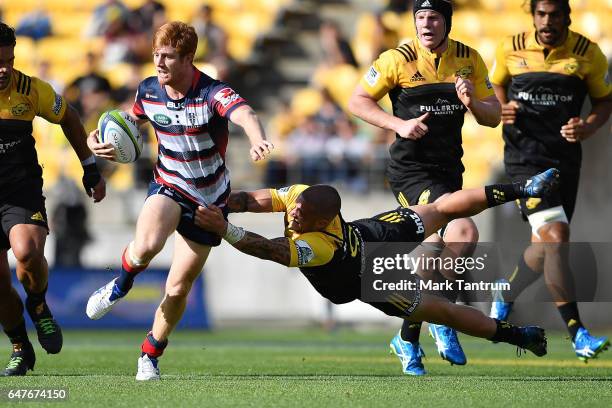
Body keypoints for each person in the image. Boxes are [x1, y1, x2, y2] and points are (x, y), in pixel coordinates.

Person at [193, 170, 562, 366]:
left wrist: (223, 227)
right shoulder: (301, 199)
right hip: (366, 232)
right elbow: (257, 198)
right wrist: (225, 203)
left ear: (322, 221)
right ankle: (525, 187)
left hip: (365, 277)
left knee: (442, 308)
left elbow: (267, 249)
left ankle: (518, 336)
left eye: (301, 215)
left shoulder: (321, 244)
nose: (293, 215)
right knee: (441, 210)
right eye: (295, 208)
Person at [85, 21, 273, 381]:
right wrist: (99, 139)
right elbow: (127, 121)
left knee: (178, 287)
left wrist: (257, 139)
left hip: (210, 201)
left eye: (168, 56)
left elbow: (245, 114)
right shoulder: (148, 90)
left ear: (188, 59)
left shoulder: (212, 93)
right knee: (147, 247)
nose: (159, 62)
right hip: (170, 185)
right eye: (156, 54)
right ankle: (119, 285)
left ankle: (149, 355)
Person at [347, 0, 501, 374]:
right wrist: (397, 125)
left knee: (452, 243)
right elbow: (357, 100)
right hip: (410, 172)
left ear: (446, 22)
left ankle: (409, 335)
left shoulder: (470, 59)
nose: (426, 24)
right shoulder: (395, 58)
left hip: (449, 172)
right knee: (462, 229)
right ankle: (442, 321)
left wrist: (472, 103)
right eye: (420, 17)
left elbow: (494, 116)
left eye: (433, 17)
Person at [488, 0, 611, 361]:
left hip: (565, 162)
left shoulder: (587, 53)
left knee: (543, 250)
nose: (547, 21)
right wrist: (501, 107)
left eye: (554, 14)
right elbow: (493, 87)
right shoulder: (509, 48)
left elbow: (605, 101)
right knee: (557, 238)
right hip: (525, 161)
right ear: (533, 16)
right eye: (541, 14)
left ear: (566, 17)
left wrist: (587, 125)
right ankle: (578, 332)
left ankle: (505, 292)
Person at [0, 23, 106, 376]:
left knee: (27, 253)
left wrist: (89, 168)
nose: (5, 69)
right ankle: (19, 347)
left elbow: (70, 117)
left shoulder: (30, 89)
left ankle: (39, 304)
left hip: (20, 192)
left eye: (9, 60)